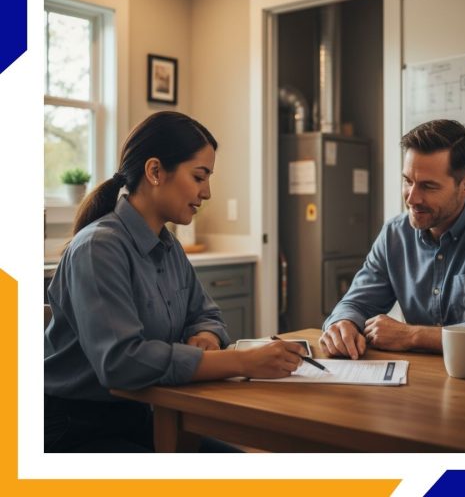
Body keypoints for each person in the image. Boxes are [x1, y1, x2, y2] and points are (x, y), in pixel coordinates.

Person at [45, 111, 304, 453]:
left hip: (147, 414)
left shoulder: (168, 246)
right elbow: (121, 362)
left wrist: (205, 336)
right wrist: (242, 361)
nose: (207, 192)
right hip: (78, 431)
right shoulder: (98, 249)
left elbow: (206, 313)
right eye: (199, 176)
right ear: (154, 172)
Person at [320, 119, 465, 360]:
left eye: (428, 186)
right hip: (419, 383)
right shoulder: (393, 235)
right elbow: (356, 304)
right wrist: (342, 324)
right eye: (408, 181)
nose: (412, 198)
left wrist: (414, 336)